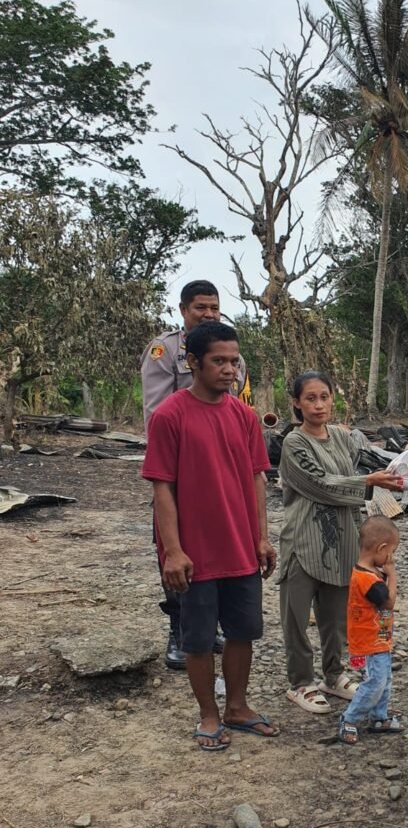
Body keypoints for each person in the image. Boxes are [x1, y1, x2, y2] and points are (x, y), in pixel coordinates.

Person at [141, 322, 278, 751]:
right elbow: (161, 485)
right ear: (193, 362)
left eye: (234, 361)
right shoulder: (170, 416)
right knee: (198, 638)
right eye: (219, 361)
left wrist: (262, 537)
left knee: (243, 631)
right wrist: (174, 550)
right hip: (194, 552)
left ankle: (237, 707)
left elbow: (257, 478)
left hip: (240, 547)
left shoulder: (244, 416)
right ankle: (208, 714)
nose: (229, 370)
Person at [141, 279, 251, 670]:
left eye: (214, 307)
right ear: (183, 309)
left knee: (223, 546)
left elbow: (236, 405)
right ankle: (180, 630)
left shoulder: (230, 350)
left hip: (222, 465)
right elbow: (157, 413)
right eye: (199, 307)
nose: (207, 313)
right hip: (178, 463)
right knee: (175, 544)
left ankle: (212, 626)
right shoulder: (164, 350)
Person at [277, 372, 403, 714]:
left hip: (342, 539)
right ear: (296, 403)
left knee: (335, 617)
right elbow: (321, 484)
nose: (319, 405)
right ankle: (301, 682)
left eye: (324, 397)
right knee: (297, 618)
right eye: (310, 399)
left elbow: (370, 463)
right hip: (304, 539)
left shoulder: (343, 437)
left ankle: (333, 675)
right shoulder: (294, 443)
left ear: (333, 399)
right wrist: (367, 482)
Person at [338, 516, 404, 745]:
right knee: (375, 681)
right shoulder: (367, 580)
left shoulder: (370, 573)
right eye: (391, 552)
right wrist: (392, 574)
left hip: (378, 639)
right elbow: (388, 602)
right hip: (369, 642)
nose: (391, 558)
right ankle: (349, 719)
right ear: (381, 548)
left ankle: (378, 717)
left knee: (384, 679)